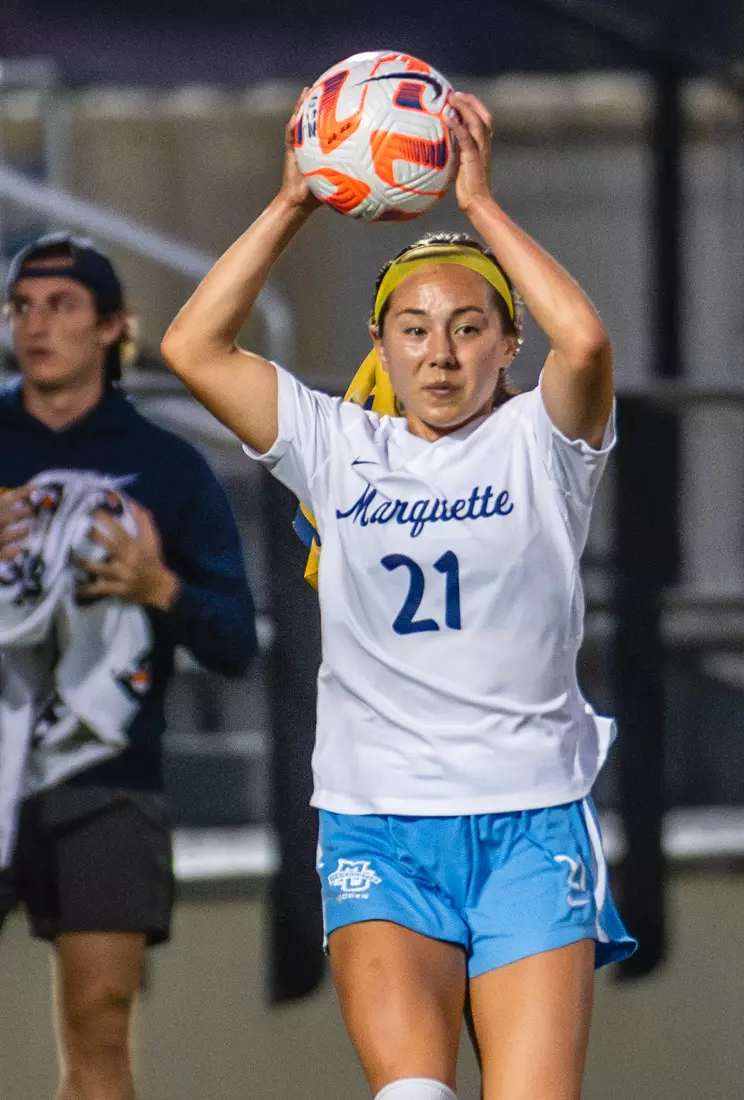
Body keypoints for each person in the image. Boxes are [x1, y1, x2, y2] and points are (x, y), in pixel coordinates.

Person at [161, 89, 635, 1100]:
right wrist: (293, 198)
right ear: (380, 346)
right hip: (379, 821)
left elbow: (587, 345)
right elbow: (192, 347)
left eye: (471, 328)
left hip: (529, 818)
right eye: (414, 330)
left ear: (508, 347)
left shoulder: (541, 448)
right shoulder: (340, 446)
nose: (442, 352)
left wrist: (484, 205)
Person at [0, 232, 258, 1100]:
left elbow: (234, 643)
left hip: (107, 774)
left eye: (61, 305)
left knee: (100, 1028)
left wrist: (160, 587)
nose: (36, 325)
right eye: (21, 306)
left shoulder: (168, 467)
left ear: (115, 327)